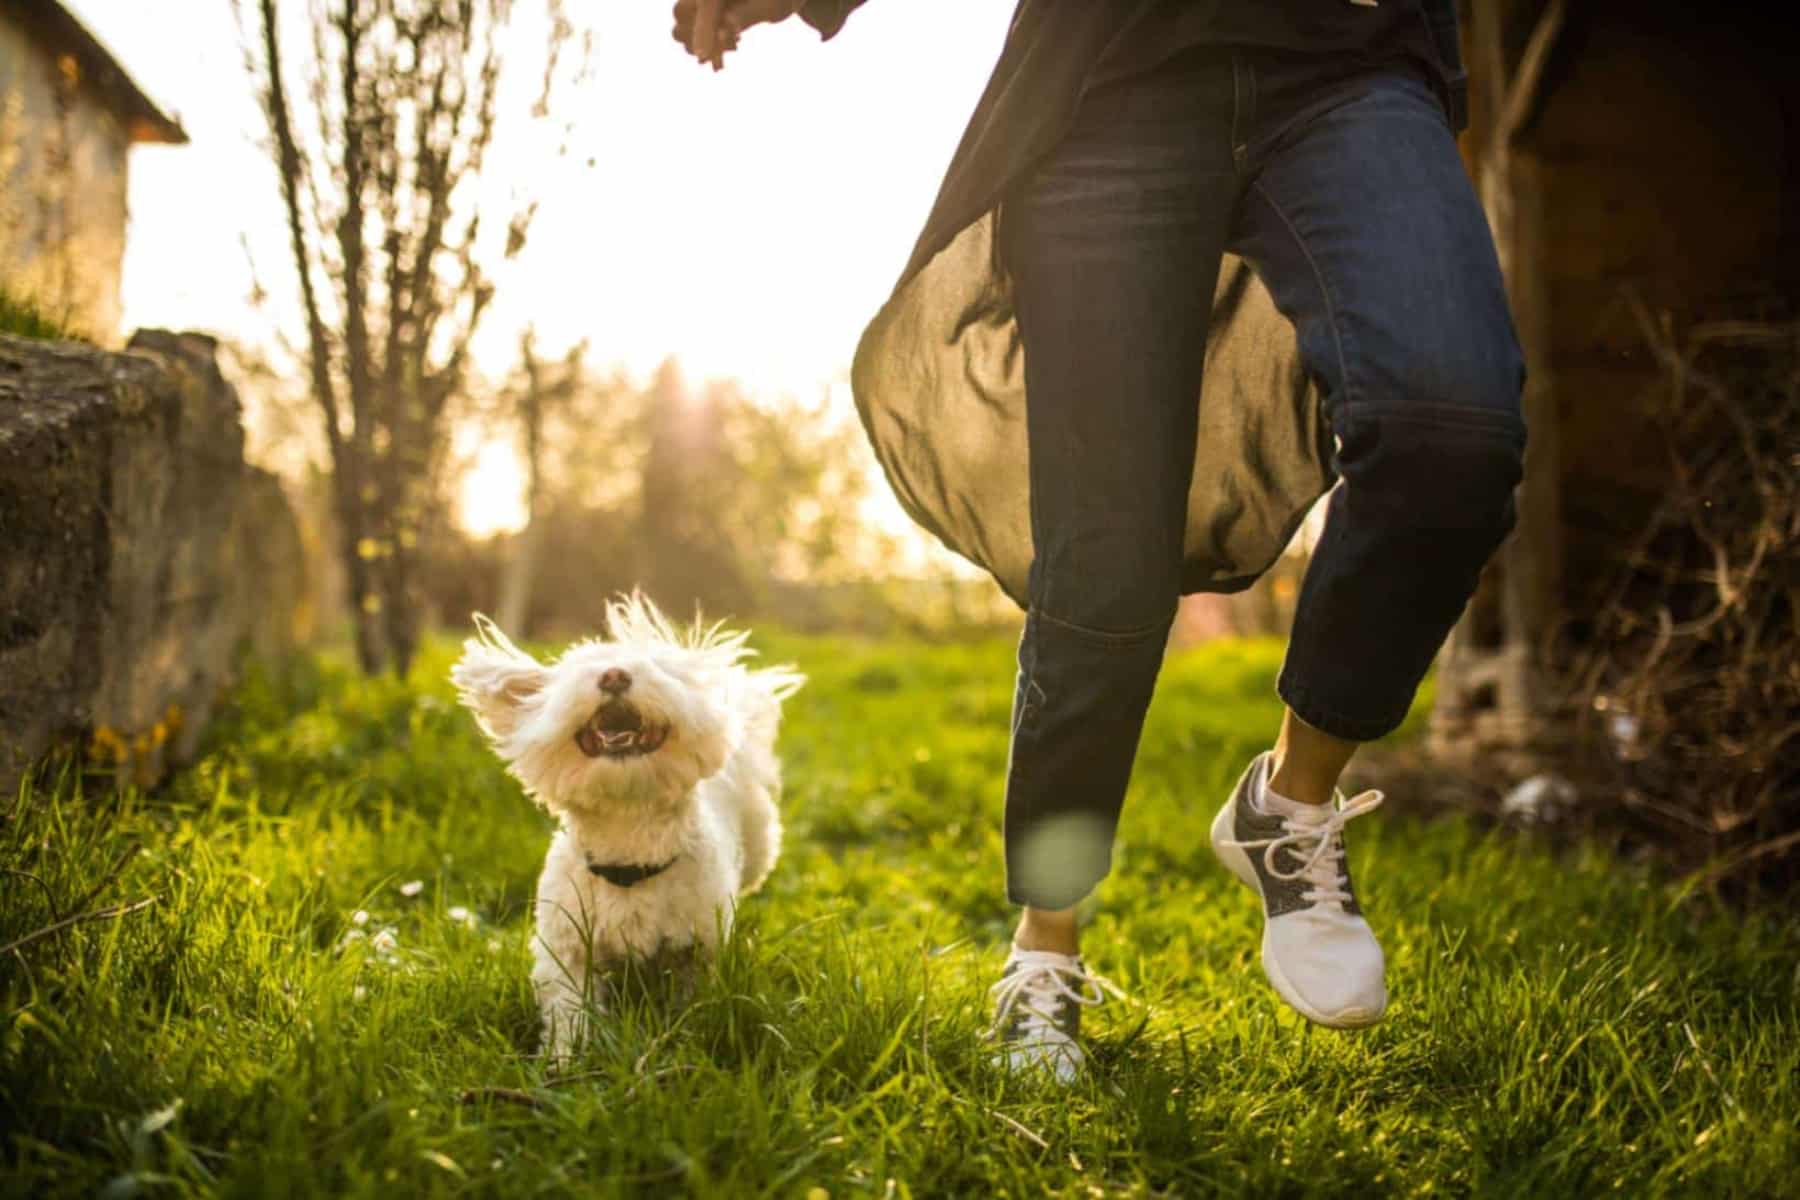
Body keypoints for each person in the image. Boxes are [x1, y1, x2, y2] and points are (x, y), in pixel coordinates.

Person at [673, 0, 1526, 1082]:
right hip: (1109, 77)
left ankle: (1292, 801)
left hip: (1349, 62)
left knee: (1454, 432)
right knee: (1104, 556)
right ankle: (1045, 949)